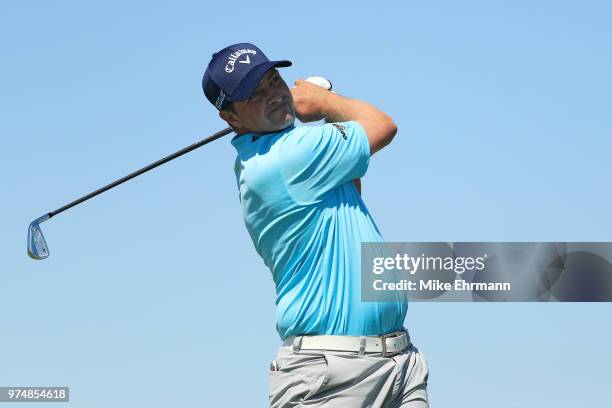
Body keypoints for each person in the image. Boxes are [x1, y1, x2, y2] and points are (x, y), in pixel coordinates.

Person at [202, 43, 429, 407]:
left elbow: (351, 182)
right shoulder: (284, 159)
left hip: (399, 363)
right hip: (331, 376)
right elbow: (383, 126)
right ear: (232, 118)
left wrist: (326, 114)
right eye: (255, 95)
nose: (275, 96)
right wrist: (325, 102)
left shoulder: (291, 152)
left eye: (274, 82)